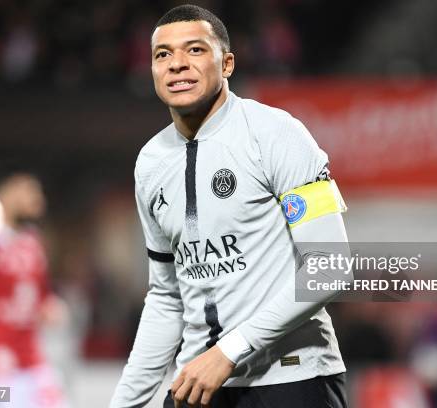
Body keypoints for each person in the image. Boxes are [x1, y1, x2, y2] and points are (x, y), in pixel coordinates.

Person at [110, 4, 350, 408]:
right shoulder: (150, 164)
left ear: (228, 64)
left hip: (292, 378)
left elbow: (330, 268)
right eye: (162, 54)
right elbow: (167, 297)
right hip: (196, 384)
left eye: (195, 50)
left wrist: (230, 350)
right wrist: (125, 403)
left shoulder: (278, 135)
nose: (177, 64)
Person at [0, 171, 69, 408]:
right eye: (27, 188)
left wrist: (49, 307)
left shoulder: (33, 243)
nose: (36, 196)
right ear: (4, 192)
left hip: (32, 359)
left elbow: (40, 295)